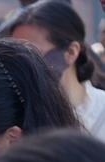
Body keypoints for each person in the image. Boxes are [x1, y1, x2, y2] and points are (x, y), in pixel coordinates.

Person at [8, 0, 105, 140]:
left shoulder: (101, 111)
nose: (23, 66)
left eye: (33, 53)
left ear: (71, 52)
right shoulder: (14, 118)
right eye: (16, 57)